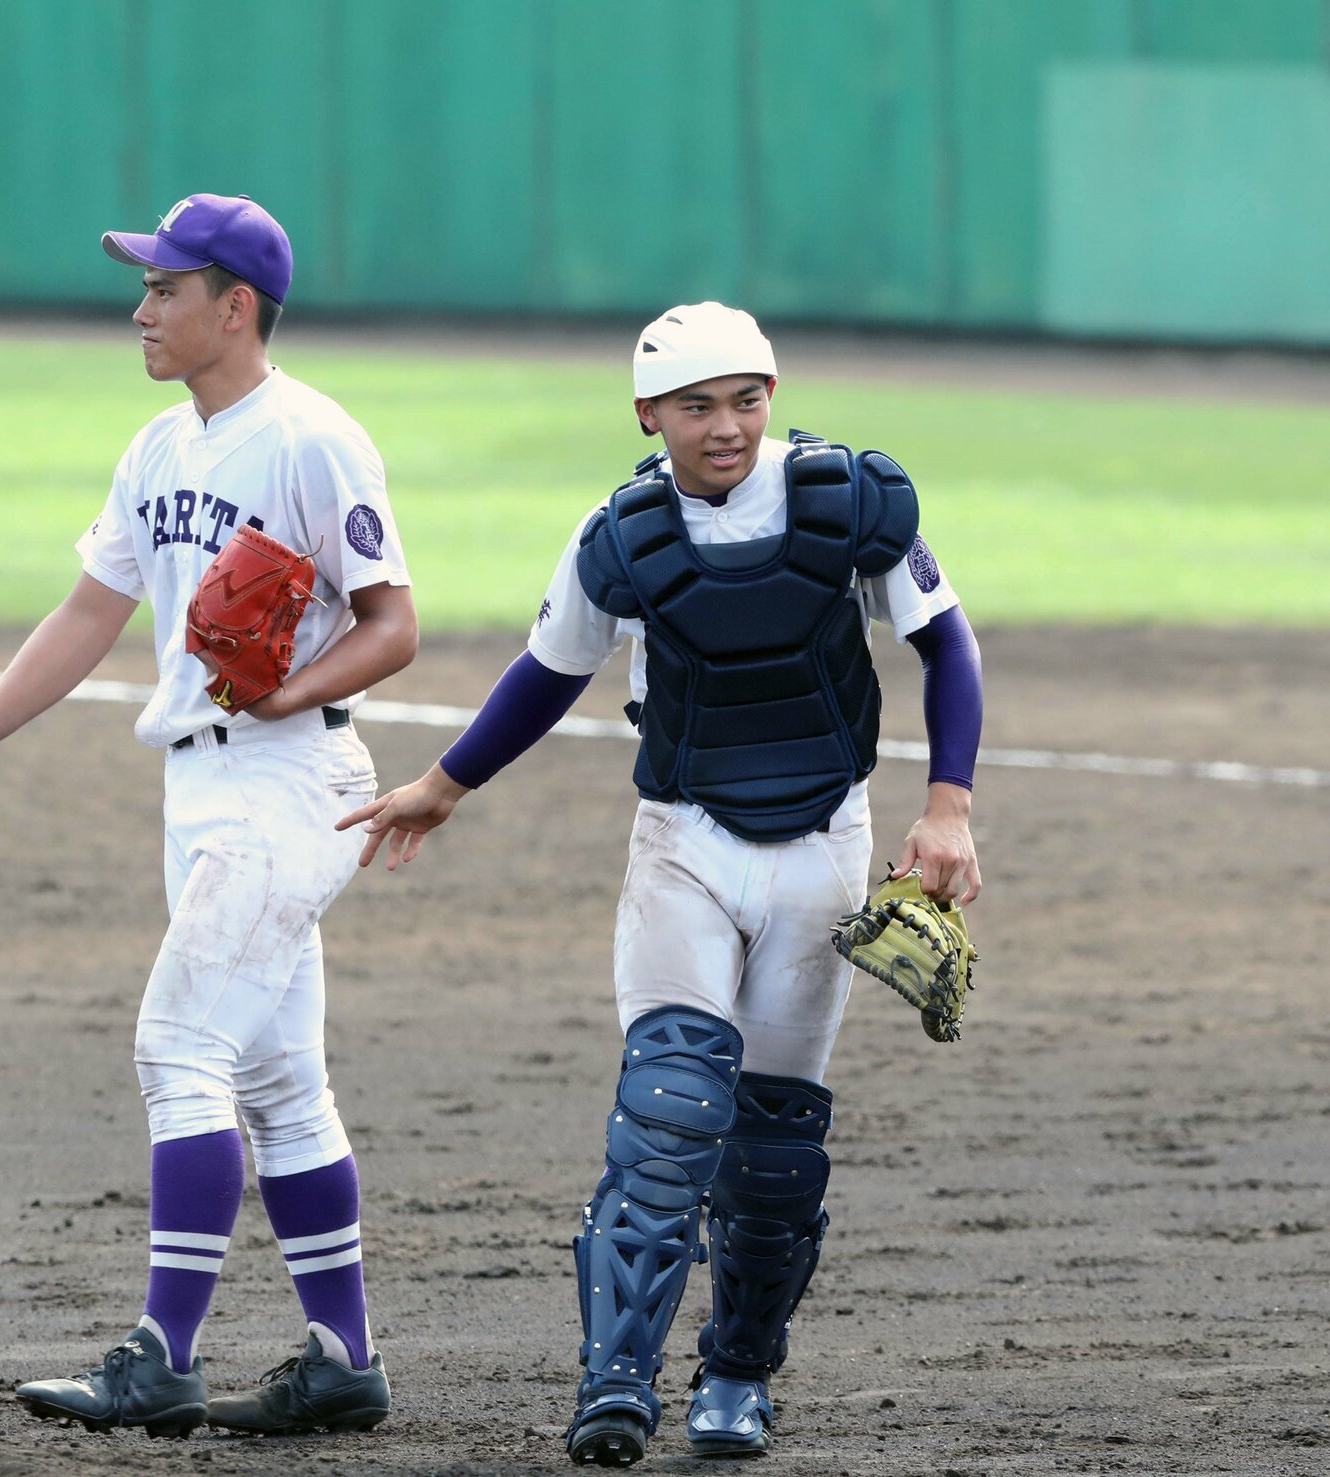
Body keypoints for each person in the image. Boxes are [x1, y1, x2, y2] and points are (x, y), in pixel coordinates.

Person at [338, 301, 983, 1466]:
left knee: (776, 1144)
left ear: (771, 398)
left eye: (746, 398)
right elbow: (548, 672)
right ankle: (615, 1383)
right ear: (650, 415)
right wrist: (446, 783)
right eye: (697, 405)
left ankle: (736, 1374)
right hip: (684, 839)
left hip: (826, 845)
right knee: (670, 1110)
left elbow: (947, 643)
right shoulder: (619, 535)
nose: (727, 426)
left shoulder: (850, 503)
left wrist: (949, 807)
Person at [0, 193, 417, 1440]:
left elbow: (391, 623)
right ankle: (343, 1359)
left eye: (164, 288)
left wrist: (289, 685)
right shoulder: (157, 449)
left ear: (232, 306)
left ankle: (161, 1355)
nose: (142, 308)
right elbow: (91, 614)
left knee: (177, 1046)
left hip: (290, 780)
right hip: (201, 787)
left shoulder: (311, 440)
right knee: (282, 1080)